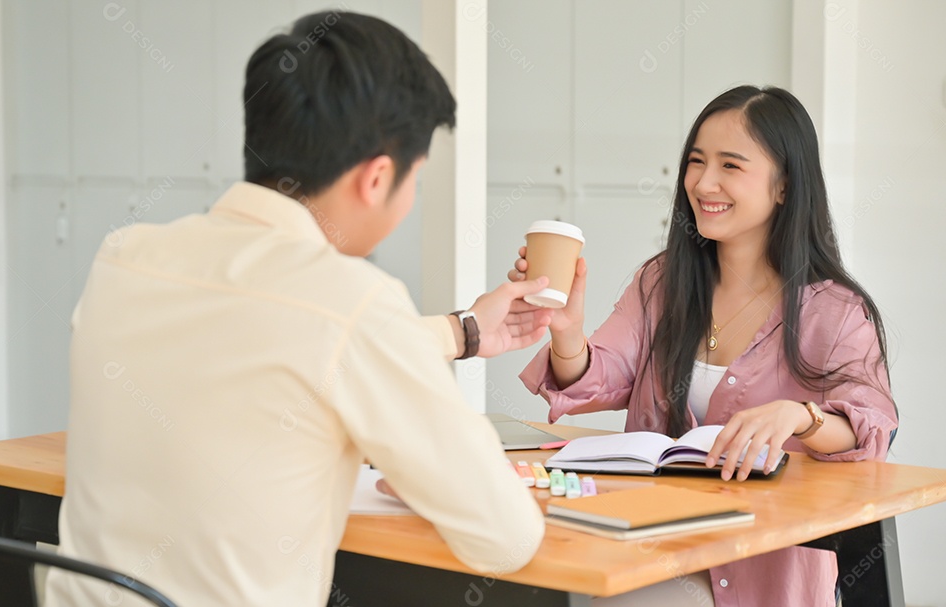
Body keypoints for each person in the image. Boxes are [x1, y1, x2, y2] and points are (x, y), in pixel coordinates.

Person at [46, 11, 553, 607]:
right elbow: (506, 537)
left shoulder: (124, 258)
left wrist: (464, 331)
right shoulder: (352, 301)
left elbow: (269, 337)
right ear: (376, 178)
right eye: (415, 179)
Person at [513, 85, 897, 606]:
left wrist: (800, 416)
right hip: (656, 545)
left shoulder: (836, 311)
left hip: (764, 571)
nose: (703, 182)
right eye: (696, 161)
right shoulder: (663, 282)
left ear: (784, 187)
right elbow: (598, 377)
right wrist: (565, 330)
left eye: (730, 166)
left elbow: (871, 427)